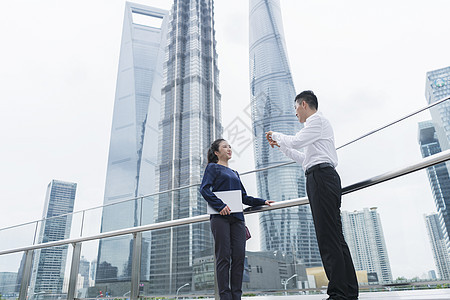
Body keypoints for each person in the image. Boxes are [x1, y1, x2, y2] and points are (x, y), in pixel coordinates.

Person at [266, 91, 358, 300]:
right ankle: (348, 292)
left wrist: (276, 135)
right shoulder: (314, 130)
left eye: (295, 108)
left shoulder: (317, 121)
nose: (295, 113)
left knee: (328, 238)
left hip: (321, 178)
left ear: (304, 104)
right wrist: (280, 145)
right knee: (334, 237)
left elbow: (297, 142)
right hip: (320, 177)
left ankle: (338, 294)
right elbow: (302, 157)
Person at [200, 139, 274, 300]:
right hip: (220, 217)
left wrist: (262, 201)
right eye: (224, 147)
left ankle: (236, 296)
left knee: (239, 258)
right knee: (223, 257)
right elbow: (204, 189)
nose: (229, 149)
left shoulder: (235, 173)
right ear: (217, 153)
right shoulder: (212, 167)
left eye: (230, 146)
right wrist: (220, 205)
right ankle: (225, 297)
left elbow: (244, 197)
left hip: (238, 219)